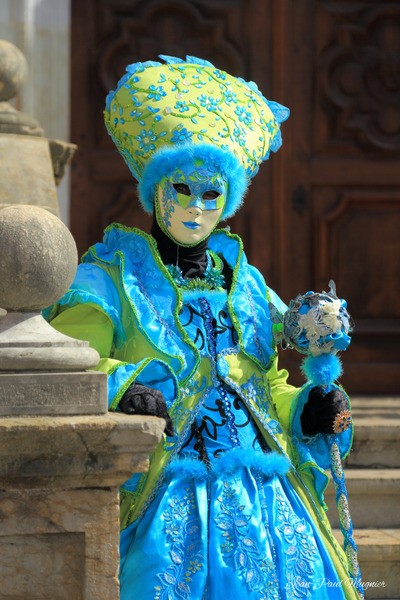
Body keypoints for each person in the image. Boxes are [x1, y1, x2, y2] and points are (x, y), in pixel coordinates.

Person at [47, 56, 360, 599]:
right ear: (154, 190)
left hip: (266, 494)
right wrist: (125, 386)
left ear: (228, 201)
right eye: (182, 188)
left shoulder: (246, 284)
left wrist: (308, 409)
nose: (196, 206)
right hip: (162, 484)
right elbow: (69, 361)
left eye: (211, 194)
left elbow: (265, 387)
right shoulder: (108, 279)